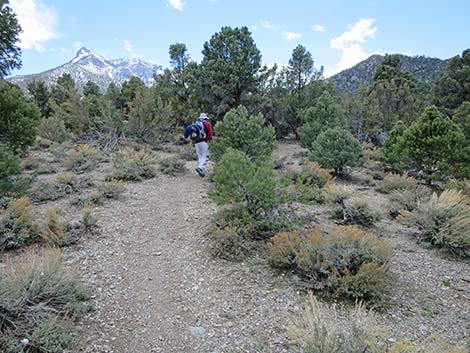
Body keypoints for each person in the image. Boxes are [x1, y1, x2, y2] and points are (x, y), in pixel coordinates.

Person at [183, 113, 213, 177]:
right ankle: (200, 168)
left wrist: (194, 142)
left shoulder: (196, 123)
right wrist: (210, 139)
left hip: (196, 142)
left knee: (200, 156)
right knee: (205, 156)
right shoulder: (207, 123)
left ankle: (201, 170)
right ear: (205, 118)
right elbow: (210, 132)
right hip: (204, 141)